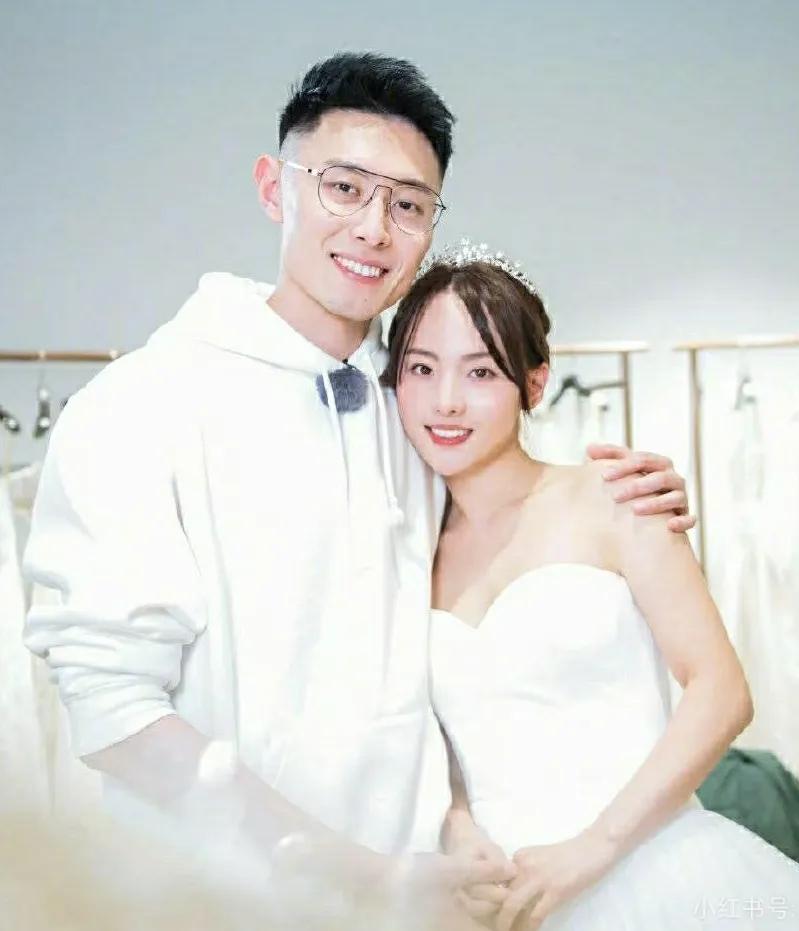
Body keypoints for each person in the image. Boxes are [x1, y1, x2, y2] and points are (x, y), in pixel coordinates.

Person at [23, 53, 693, 923]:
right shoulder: (139, 408)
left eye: (408, 204)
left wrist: (628, 496)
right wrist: (345, 872)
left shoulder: (413, 405)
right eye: (343, 188)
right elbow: (114, 713)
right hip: (218, 904)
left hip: (429, 900)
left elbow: (496, 578)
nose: (374, 228)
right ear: (274, 187)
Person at [382, 241, 799, 930]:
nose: (445, 401)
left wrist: (592, 849)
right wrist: (457, 823)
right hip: (501, 895)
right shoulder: (404, 549)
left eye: (480, 371)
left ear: (534, 383)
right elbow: (436, 730)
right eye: (421, 369)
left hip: (650, 867)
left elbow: (722, 692)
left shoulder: (617, 496)